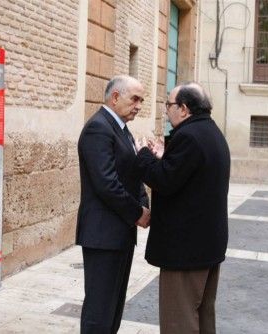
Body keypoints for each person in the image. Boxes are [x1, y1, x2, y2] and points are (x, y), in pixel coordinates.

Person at [135, 82, 230, 334]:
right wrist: (165, 156)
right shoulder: (211, 132)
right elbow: (186, 174)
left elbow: (165, 181)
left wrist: (143, 154)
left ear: (184, 109)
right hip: (207, 246)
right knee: (203, 316)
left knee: (179, 320)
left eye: (169, 105)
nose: (167, 111)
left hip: (186, 251)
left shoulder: (188, 136)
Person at [76, 75, 150, 334]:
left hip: (120, 234)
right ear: (115, 97)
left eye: (141, 100)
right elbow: (107, 184)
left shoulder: (121, 128)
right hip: (103, 235)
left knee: (114, 307)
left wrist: (144, 202)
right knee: (99, 310)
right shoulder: (98, 128)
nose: (139, 105)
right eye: (135, 99)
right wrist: (137, 212)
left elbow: (132, 172)